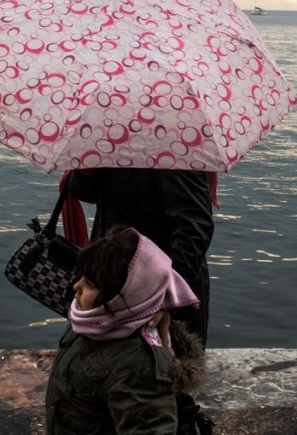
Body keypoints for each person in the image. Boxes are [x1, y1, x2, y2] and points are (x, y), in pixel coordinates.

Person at [45, 228, 208, 435]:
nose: (75, 286)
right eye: (82, 277)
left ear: (122, 299)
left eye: (89, 284)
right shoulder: (91, 322)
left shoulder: (138, 366)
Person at [68, 169, 215, 346]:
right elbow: (89, 193)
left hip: (159, 294)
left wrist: (165, 298)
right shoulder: (111, 144)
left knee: (163, 368)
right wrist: (86, 171)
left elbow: (195, 226)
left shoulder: (176, 149)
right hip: (110, 285)